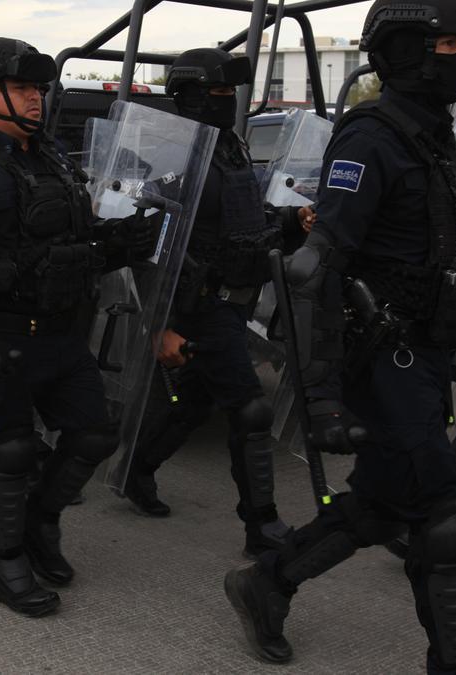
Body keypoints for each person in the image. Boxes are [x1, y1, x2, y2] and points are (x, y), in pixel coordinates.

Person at [223, 1, 456, 672]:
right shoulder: (370, 137)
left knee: (382, 502)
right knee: (444, 518)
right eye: (449, 43)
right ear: (406, 50)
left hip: (427, 352)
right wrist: (321, 400)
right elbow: (315, 269)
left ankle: (267, 580)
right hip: (384, 356)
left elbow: (447, 244)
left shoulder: (436, 136)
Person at [0, 38, 154, 616]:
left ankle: (40, 524)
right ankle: (6, 565)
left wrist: (121, 243)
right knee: (11, 452)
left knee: (94, 435)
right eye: (25, 88)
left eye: (38, 88)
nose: (37, 98)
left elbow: (73, 245)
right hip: (1, 337)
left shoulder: (52, 158)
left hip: (60, 331)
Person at [119, 48, 312, 558]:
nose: (228, 101)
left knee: (197, 399)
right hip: (198, 302)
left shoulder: (228, 147)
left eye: (232, 92)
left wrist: (293, 223)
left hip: (235, 297)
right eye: (218, 92)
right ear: (187, 96)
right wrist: (161, 322)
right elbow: (150, 243)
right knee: (250, 409)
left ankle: (135, 469)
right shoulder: (175, 153)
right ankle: (261, 524)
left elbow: (247, 220)